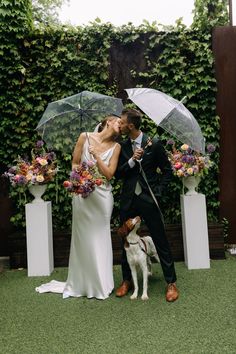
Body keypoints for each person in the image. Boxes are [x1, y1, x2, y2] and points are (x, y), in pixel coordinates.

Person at [36, 115, 121, 300]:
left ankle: (101, 284)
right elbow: (75, 162)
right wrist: (80, 178)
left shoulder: (117, 147)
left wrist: (97, 156)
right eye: (118, 122)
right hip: (83, 194)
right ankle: (82, 283)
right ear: (108, 122)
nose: (121, 126)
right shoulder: (85, 136)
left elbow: (109, 175)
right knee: (84, 239)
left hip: (102, 197)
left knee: (100, 237)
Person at [115, 108, 179, 302]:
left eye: (122, 122)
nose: (120, 125)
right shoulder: (123, 146)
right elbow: (118, 174)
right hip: (128, 201)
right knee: (125, 241)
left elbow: (167, 172)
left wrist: (157, 193)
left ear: (131, 125)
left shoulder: (155, 144)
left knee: (160, 239)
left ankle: (171, 282)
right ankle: (127, 280)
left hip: (148, 200)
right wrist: (132, 161)